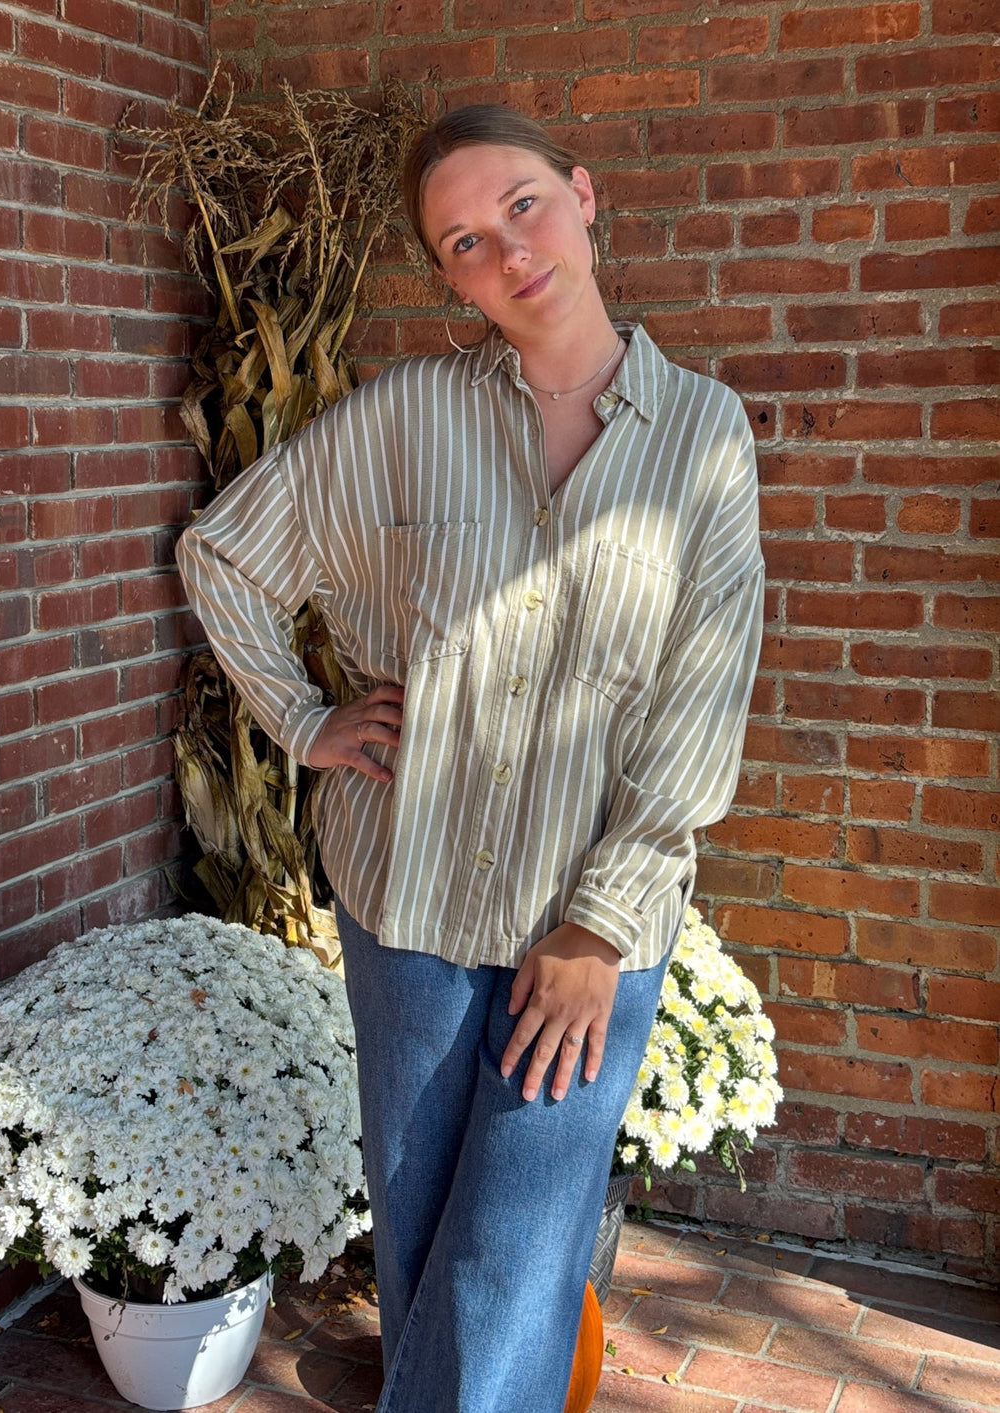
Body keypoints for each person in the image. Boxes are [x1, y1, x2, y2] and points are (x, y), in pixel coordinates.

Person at [176, 104, 764, 1413]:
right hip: (410, 900)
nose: (507, 250)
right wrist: (306, 719)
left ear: (583, 195)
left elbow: (703, 694)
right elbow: (226, 556)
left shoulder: (702, 436)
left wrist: (601, 925)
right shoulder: (403, 419)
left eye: (522, 205)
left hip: (589, 926)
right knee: (424, 1228)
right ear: (448, 277)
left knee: (515, 1253)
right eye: (463, 241)